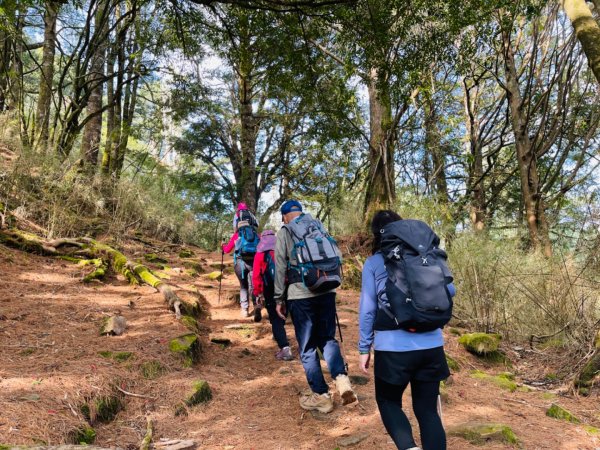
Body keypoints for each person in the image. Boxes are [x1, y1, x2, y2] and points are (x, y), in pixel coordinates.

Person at [358, 210, 454, 450]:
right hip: (431, 345)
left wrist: (364, 347)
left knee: (388, 401)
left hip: (393, 349)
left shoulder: (374, 262)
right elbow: (450, 292)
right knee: (427, 410)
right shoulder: (428, 256)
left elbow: (368, 308)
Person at [274, 199, 356, 413]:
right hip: (326, 290)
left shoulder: (285, 232)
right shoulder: (318, 226)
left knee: (308, 347)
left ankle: (321, 396)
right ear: (300, 212)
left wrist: (278, 299)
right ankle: (341, 379)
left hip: (300, 295)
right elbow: (336, 256)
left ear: (284, 216)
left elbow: (280, 267)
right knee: (327, 338)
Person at [252, 229, 293, 361]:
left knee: (274, 317)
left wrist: (257, 292)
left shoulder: (260, 252)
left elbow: (256, 275)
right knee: (282, 311)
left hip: (269, 287)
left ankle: (285, 348)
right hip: (286, 284)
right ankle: (280, 330)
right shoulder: (282, 248)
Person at [222, 204, 260, 319]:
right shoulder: (255, 234)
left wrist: (222, 246)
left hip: (240, 262)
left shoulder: (237, 235)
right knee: (253, 285)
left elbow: (227, 250)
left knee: (243, 286)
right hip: (253, 262)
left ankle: (244, 310)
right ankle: (257, 305)